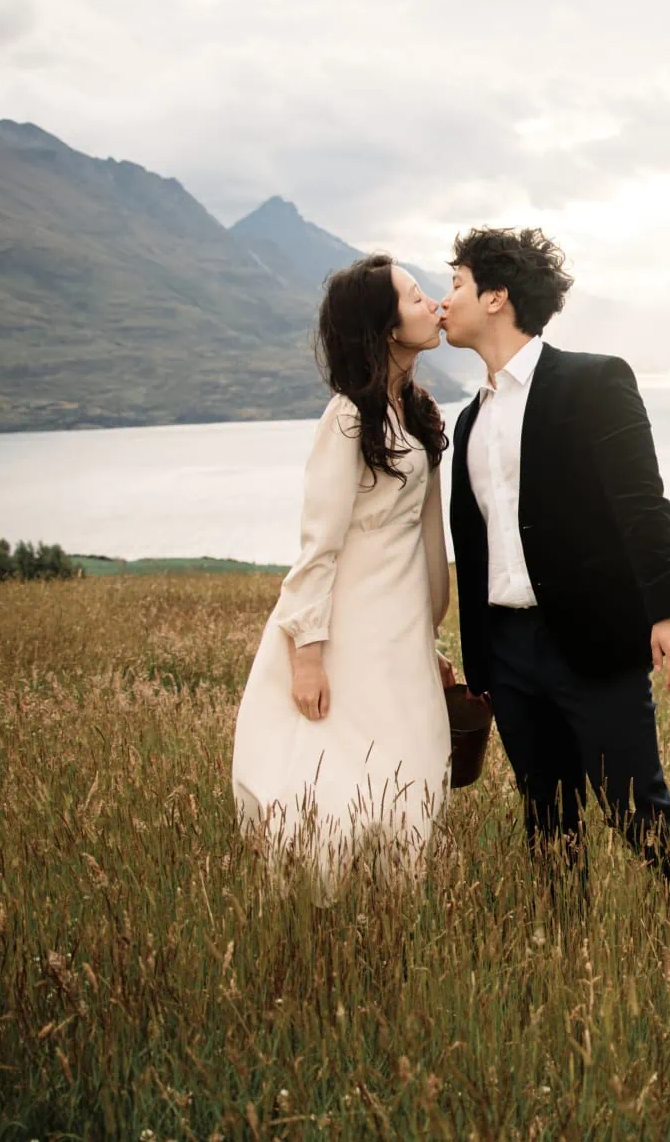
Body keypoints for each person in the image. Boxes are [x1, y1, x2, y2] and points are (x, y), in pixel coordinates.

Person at [440, 227, 670, 902]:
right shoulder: (470, 421)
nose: (444, 301)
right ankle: (566, 952)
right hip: (507, 652)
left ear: (497, 296)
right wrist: (480, 661)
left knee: (637, 808)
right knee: (545, 820)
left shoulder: (595, 380)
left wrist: (669, 612)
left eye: (456, 284)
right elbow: (475, 546)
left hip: (591, 642)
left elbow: (641, 502)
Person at [230, 254, 455, 897]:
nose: (433, 304)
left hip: (400, 624)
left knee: (410, 750)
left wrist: (430, 636)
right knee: (341, 763)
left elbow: (425, 537)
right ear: (387, 328)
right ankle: (325, 910)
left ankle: (394, 900)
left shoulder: (416, 411)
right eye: (416, 298)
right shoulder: (349, 418)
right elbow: (319, 545)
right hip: (349, 626)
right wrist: (307, 655)